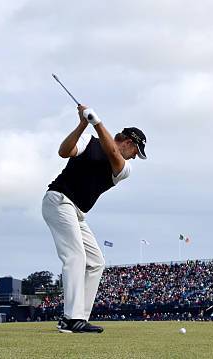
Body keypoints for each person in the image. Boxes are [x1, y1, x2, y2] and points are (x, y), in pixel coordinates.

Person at [42, 104, 147, 333]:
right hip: (59, 201)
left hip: (77, 213)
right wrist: (82, 124)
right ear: (129, 142)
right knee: (75, 256)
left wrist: (97, 122)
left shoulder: (125, 168)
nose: (134, 158)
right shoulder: (88, 140)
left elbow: (113, 155)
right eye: (136, 152)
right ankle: (72, 319)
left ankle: (77, 318)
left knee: (96, 262)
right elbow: (64, 151)